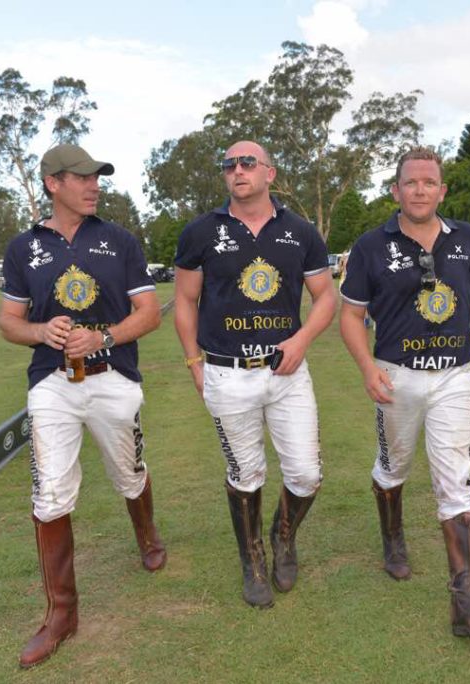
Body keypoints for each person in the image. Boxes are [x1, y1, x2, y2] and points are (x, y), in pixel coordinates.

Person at [339, 146, 470, 638]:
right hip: (396, 375)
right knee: (394, 465)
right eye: (410, 183)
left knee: (456, 481)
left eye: (429, 182)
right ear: (396, 191)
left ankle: (466, 597)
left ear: (442, 190)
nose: (420, 190)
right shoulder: (372, 245)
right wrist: (366, 367)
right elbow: (351, 315)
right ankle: (393, 537)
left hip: (454, 376)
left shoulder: (466, 239)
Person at [0, 144, 166, 668]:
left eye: (97, 178)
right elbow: (9, 322)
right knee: (51, 493)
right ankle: (62, 614)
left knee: (129, 473)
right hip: (51, 382)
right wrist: (39, 330)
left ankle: (147, 532)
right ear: (53, 184)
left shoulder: (119, 241)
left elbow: (150, 313)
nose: (94, 185)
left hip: (113, 377)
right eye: (83, 178)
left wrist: (104, 338)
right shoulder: (23, 248)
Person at [173, 141, 335, 609]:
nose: (237, 170)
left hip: (287, 372)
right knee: (245, 474)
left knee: (306, 474)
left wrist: (301, 341)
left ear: (271, 173)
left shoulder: (301, 231)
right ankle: (253, 559)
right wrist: (192, 361)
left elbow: (325, 297)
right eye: (229, 164)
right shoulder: (201, 231)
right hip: (227, 374)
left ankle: (284, 533)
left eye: (247, 163)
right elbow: (184, 300)